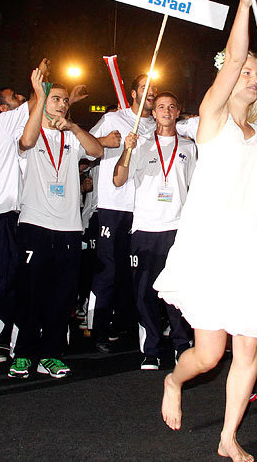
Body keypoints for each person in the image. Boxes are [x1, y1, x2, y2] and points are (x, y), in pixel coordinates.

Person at [154, 0, 257, 462]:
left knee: (249, 351)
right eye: (246, 72)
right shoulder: (211, 118)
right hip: (212, 246)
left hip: (252, 248)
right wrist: (243, 3)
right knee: (208, 355)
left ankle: (227, 436)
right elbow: (235, 55)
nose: (252, 78)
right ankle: (173, 379)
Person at [8, 72, 102, 378]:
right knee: (31, 293)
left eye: (64, 100)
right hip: (35, 224)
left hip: (69, 227)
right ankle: (23, 353)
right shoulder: (30, 134)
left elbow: (98, 151)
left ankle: (51, 354)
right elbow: (27, 141)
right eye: (55, 99)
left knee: (61, 296)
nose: (62, 104)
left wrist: (73, 125)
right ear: (43, 103)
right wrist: (38, 94)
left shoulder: (71, 137)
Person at [0, 60, 51, 362]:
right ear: (4, 108)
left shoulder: (16, 138)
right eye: (15, 97)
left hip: (18, 216)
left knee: (19, 283)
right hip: (2, 215)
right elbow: (35, 102)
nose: (21, 99)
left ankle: (14, 345)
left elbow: (37, 114)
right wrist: (40, 83)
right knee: (5, 283)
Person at [113, 91, 196, 370]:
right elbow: (118, 179)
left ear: (178, 111)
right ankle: (151, 349)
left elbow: (196, 188)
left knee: (176, 291)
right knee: (144, 292)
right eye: (161, 106)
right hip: (146, 228)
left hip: (177, 228)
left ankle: (182, 345)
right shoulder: (140, 144)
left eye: (172, 106)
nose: (166, 111)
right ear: (154, 112)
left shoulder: (189, 146)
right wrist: (127, 148)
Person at [88, 75, 157, 352]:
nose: (150, 92)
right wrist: (104, 140)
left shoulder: (158, 127)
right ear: (133, 93)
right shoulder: (113, 119)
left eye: (153, 88)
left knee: (137, 272)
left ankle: (127, 324)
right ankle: (98, 328)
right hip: (113, 206)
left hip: (143, 209)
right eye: (144, 87)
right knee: (108, 271)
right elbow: (86, 147)